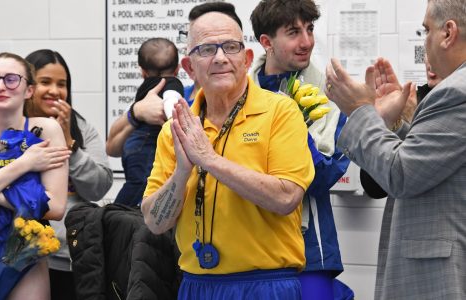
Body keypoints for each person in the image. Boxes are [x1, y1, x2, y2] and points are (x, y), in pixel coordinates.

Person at [141, 2, 315, 299]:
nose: (221, 58)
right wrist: (182, 171)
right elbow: (155, 222)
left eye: (231, 47)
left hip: (267, 284)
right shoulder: (177, 128)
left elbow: (287, 196)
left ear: (247, 59)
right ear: (188, 66)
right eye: (207, 50)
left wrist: (208, 159)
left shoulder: (280, 111)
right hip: (196, 285)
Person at [325, 0, 466, 298]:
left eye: (426, 29)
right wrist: (391, 125)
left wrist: (360, 110)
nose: (424, 41)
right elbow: (429, 162)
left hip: (438, 280)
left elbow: (401, 173)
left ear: (448, 33)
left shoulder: (456, 92)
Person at [250, 1, 350, 299]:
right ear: (266, 42)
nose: (306, 41)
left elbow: (324, 175)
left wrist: (292, 124)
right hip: (247, 247)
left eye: (309, 29)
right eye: (293, 32)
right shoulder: (239, 93)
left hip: (310, 249)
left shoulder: (330, 93)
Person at [0, 52, 69, 299]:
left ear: (29, 90)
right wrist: (25, 163)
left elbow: (55, 206)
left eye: (11, 79)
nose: (0, 86)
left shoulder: (46, 129)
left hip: (25, 258)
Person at [24, 49, 113, 300]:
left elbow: (99, 188)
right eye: (45, 82)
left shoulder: (81, 128)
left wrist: (69, 143)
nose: (54, 90)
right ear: (29, 86)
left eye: (61, 84)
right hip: (21, 256)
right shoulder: (10, 127)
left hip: (73, 258)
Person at [108, 38, 184, 207]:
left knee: (137, 180)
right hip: (147, 144)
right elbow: (171, 99)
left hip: (132, 143)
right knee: (141, 182)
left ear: (142, 72)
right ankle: (115, 210)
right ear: (178, 68)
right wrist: (174, 116)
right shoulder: (172, 83)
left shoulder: (145, 88)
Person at [360, 54, 443, 199]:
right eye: (427, 51)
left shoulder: (456, 106)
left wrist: (412, 118)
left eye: (439, 52)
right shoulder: (411, 99)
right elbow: (374, 189)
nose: (430, 63)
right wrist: (385, 122)